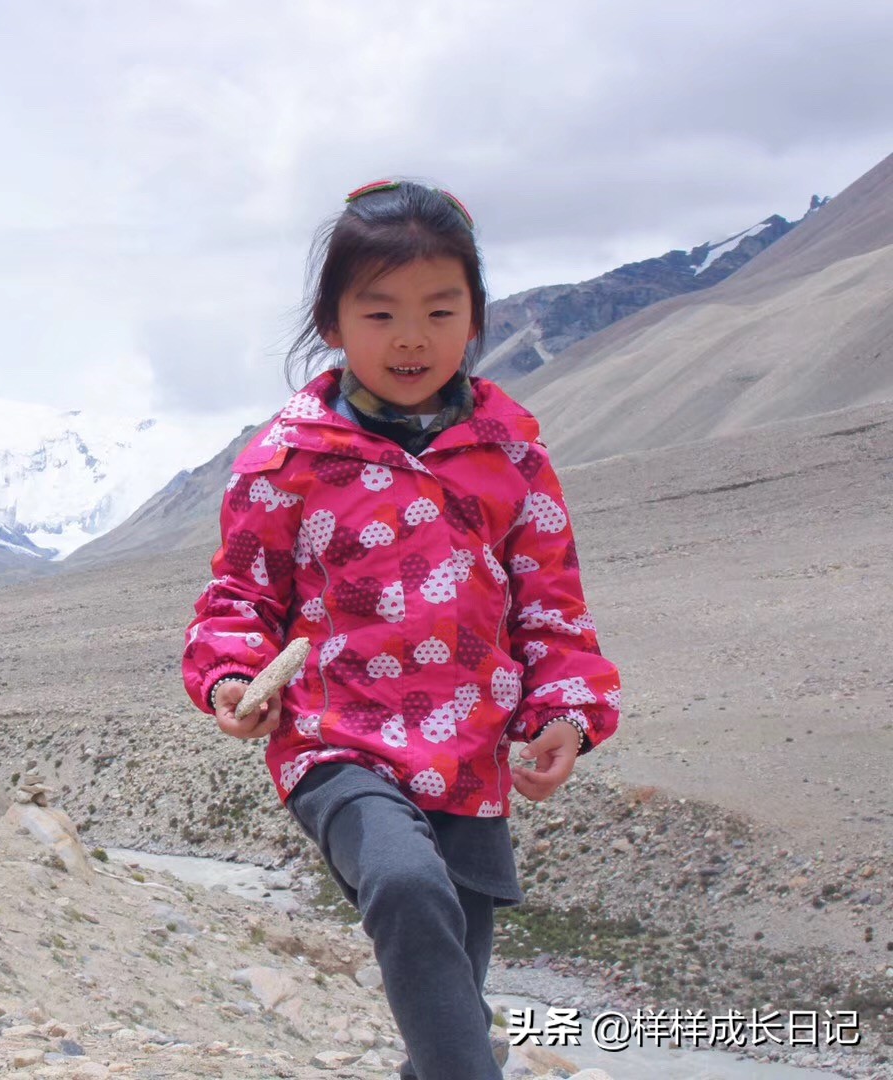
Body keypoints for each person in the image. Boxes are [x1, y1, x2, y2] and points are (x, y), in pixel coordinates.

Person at [181, 179, 621, 1080]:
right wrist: (233, 680)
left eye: (439, 309)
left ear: (476, 320)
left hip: (471, 757)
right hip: (336, 741)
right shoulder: (288, 460)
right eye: (380, 313)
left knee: (448, 990)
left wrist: (565, 717)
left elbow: (552, 610)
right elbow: (239, 599)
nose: (412, 336)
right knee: (407, 886)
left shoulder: (513, 456)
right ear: (333, 324)